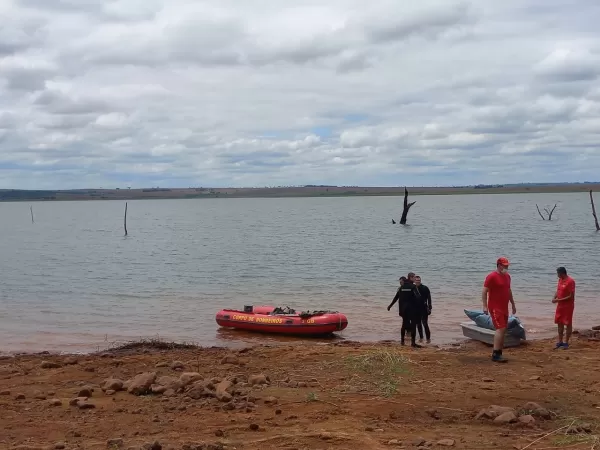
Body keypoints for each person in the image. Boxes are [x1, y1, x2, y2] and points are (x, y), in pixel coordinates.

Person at [482, 257, 517, 363]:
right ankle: (495, 353)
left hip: (504, 307)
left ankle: (499, 352)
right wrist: (485, 306)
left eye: (507, 266)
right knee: (500, 328)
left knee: (504, 328)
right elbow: (484, 291)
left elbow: (508, 290)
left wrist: (513, 304)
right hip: (495, 307)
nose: (506, 267)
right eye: (504, 266)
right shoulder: (492, 276)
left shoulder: (507, 276)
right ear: (499, 265)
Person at [388, 275, 422, 348]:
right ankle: (413, 343)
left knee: (404, 325)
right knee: (413, 325)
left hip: (404, 310)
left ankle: (402, 341)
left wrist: (390, 305)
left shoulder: (401, 288)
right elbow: (418, 297)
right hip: (412, 309)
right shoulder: (413, 287)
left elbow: (396, 297)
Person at [552, 266, 576, 350]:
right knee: (559, 322)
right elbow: (558, 290)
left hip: (568, 306)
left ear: (562, 273)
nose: (557, 275)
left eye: (558, 274)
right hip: (560, 306)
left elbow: (571, 296)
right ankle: (560, 341)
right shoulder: (560, 280)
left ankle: (566, 342)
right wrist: (554, 297)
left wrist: (558, 300)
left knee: (568, 323)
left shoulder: (570, 281)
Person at [414, 275, 432, 343]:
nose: (418, 282)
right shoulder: (413, 288)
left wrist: (430, 307)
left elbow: (429, 298)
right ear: (414, 281)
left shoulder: (425, 288)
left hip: (424, 308)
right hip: (416, 309)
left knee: (425, 324)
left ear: (420, 281)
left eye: (419, 280)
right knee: (418, 324)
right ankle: (421, 338)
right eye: (416, 281)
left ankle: (428, 339)